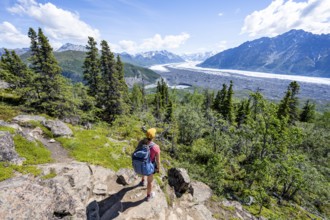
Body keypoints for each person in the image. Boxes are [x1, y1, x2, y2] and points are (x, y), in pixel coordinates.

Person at [138, 128, 161, 201]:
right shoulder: (156, 147)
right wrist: (158, 168)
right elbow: (158, 161)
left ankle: (142, 181)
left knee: (143, 163)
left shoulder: (141, 142)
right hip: (149, 166)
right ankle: (148, 196)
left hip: (142, 164)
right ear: (153, 137)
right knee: (150, 182)